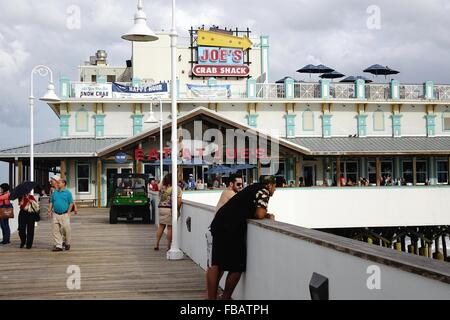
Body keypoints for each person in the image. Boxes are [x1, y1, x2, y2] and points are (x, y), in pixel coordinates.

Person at [206, 175, 276, 300]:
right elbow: (260, 214)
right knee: (237, 266)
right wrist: (268, 215)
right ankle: (225, 298)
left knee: (216, 263)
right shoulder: (263, 190)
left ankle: (211, 298)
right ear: (269, 185)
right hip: (232, 226)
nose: (274, 190)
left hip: (219, 222)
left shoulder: (250, 189)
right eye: (274, 187)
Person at [154, 174, 182, 251]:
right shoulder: (177, 188)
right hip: (169, 209)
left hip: (161, 208)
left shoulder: (162, 188)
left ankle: (156, 244)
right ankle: (169, 246)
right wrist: (178, 210)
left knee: (161, 226)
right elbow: (179, 201)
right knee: (170, 228)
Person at [48, 179, 74, 252]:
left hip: (64, 214)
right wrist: (49, 210)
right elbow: (51, 202)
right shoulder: (55, 192)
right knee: (56, 230)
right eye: (57, 182)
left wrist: (69, 212)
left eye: (59, 183)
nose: (57, 184)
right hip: (55, 214)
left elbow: (71, 203)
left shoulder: (68, 193)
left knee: (66, 229)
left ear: (64, 184)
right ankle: (58, 245)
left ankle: (67, 242)